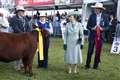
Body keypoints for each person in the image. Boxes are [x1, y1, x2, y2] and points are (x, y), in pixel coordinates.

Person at [85, 3, 109, 69]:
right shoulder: (91, 16)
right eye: (95, 8)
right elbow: (87, 26)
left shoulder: (105, 16)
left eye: (97, 8)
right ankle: (87, 65)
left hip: (100, 36)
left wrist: (102, 29)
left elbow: (107, 27)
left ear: (100, 9)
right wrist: (92, 28)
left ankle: (95, 66)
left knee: (98, 51)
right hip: (92, 35)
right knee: (90, 51)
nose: (96, 9)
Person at [9, 6, 32, 70]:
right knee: (17, 52)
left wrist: (28, 33)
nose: (22, 12)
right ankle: (17, 66)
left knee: (24, 51)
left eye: (23, 11)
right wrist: (23, 34)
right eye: (21, 11)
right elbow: (15, 28)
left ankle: (22, 64)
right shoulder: (14, 18)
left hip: (24, 37)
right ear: (18, 12)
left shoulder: (25, 18)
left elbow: (28, 26)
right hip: (17, 37)